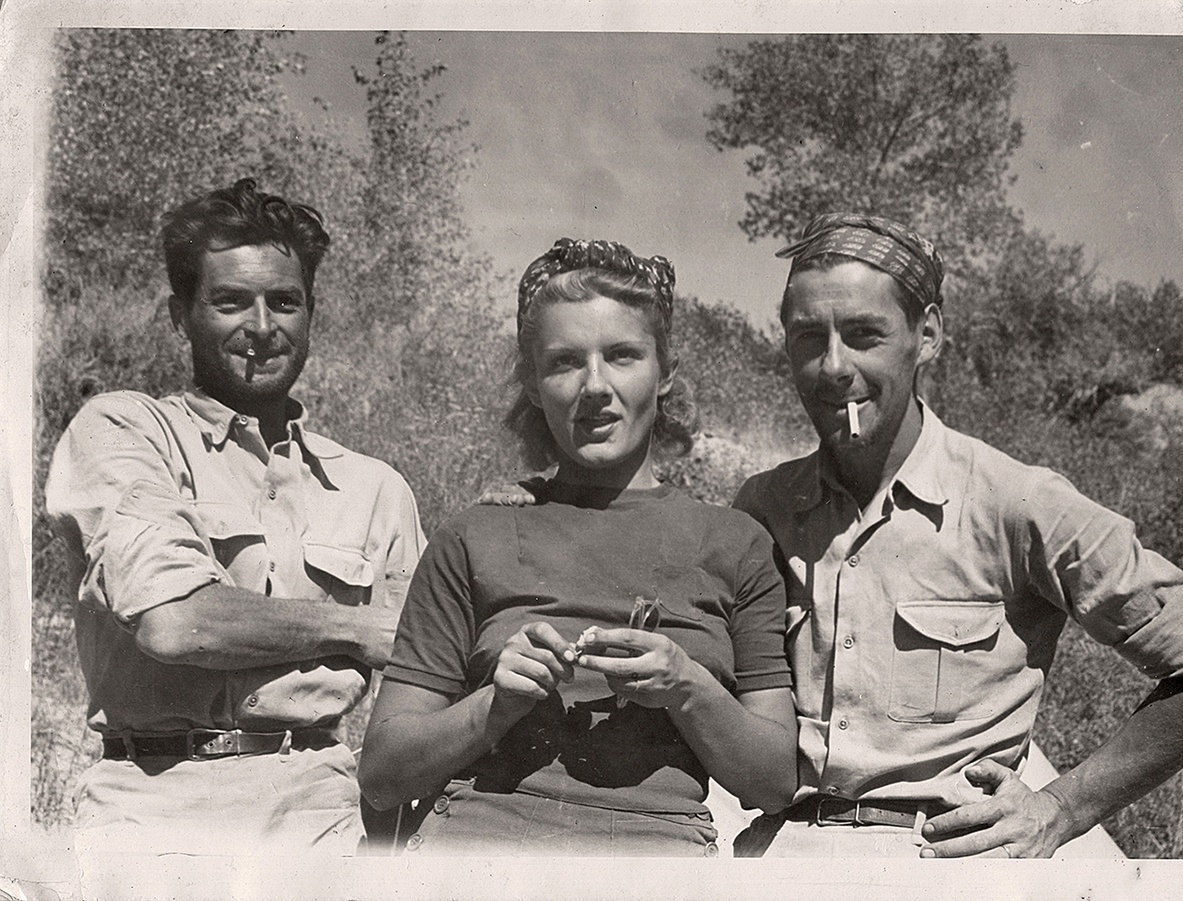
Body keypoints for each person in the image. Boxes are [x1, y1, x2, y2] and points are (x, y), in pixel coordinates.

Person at [729, 212, 1183, 858]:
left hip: (949, 864)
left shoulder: (1016, 500)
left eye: (864, 335)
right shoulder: (765, 504)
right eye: (808, 337)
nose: (833, 367)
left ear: (928, 335)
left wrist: (1063, 805)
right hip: (779, 861)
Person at [357, 238, 797, 856]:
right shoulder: (472, 535)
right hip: (475, 854)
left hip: (656, 860)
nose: (594, 386)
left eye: (622, 356)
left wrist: (686, 685)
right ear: (533, 383)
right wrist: (496, 703)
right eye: (564, 362)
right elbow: (382, 776)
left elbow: (774, 782)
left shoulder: (737, 544)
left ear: (665, 371)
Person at [44, 178, 426, 858]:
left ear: (309, 313)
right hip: (155, 802)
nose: (261, 326)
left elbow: (423, 675)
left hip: (323, 813)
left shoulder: (378, 489)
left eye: (284, 301)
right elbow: (175, 621)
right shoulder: (124, 430)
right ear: (179, 313)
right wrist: (356, 628)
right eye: (229, 301)